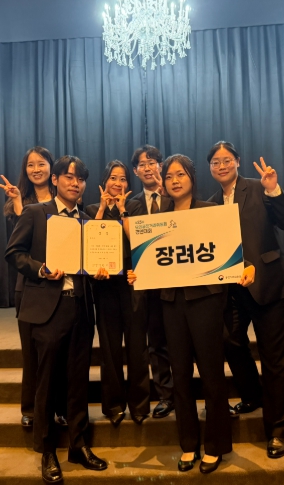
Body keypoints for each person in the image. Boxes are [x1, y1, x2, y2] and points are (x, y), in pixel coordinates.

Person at [127, 154, 255, 474]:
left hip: (206, 302)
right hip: (171, 304)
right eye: (169, 176)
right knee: (180, 375)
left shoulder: (211, 211)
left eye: (180, 174)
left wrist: (246, 267)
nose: (174, 181)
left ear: (192, 178)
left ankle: (215, 446)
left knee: (212, 376)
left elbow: (231, 251)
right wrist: (138, 273)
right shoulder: (158, 218)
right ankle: (188, 444)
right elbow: (150, 261)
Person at [5, 156, 108, 484]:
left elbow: (94, 262)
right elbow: (14, 253)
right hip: (48, 309)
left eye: (81, 179)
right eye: (69, 177)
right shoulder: (36, 213)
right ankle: (47, 450)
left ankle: (78, 445)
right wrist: (41, 269)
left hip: (81, 309)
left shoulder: (88, 219)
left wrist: (101, 271)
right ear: (56, 180)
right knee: (47, 382)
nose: (75, 184)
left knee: (78, 381)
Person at [206, 141, 284, 459]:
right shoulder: (209, 205)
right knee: (228, 341)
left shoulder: (259, 188)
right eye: (215, 162)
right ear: (209, 168)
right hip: (233, 290)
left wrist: (274, 190)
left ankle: (277, 430)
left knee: (275, 359)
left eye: (226, 160)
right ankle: (254, 395)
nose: (221, 165)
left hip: (270, 285)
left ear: (237, 161)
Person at [0, 147, 67, 429]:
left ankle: (59, 407)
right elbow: (21, 241)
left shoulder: (66, 197)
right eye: (30, 165)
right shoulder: (20, 202)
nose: (36, 169)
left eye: (41, 164)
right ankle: (31, 409)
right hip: (30, 286)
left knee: (59, 354)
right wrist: (16, 201)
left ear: (52, 168)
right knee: (32, 354)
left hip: (63, 287)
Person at [84, 160, 151, 426]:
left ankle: (139, 405)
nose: (118, 183)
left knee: (137, 346)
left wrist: (123, 210)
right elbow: (89, 242)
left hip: (132, 283)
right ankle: (113, 405)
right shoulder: (91, 209)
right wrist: (103, 208)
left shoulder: (135, 207)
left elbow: (138, 241)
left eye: (123, 179)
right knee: (109, 348)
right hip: (104, 286)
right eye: (113, 178)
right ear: (104, 182)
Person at [128, 145, 175, 419]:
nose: (147, 168)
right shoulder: (130, 204)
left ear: (161, 166)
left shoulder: (176, 197)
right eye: (142, 164)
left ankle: (186, 391)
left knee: (179, 341)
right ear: (135, 171)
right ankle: (166, 394)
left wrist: (166, 193)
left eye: (152, 162)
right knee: (154, 341)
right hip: (143, 285)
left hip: (175, 282)